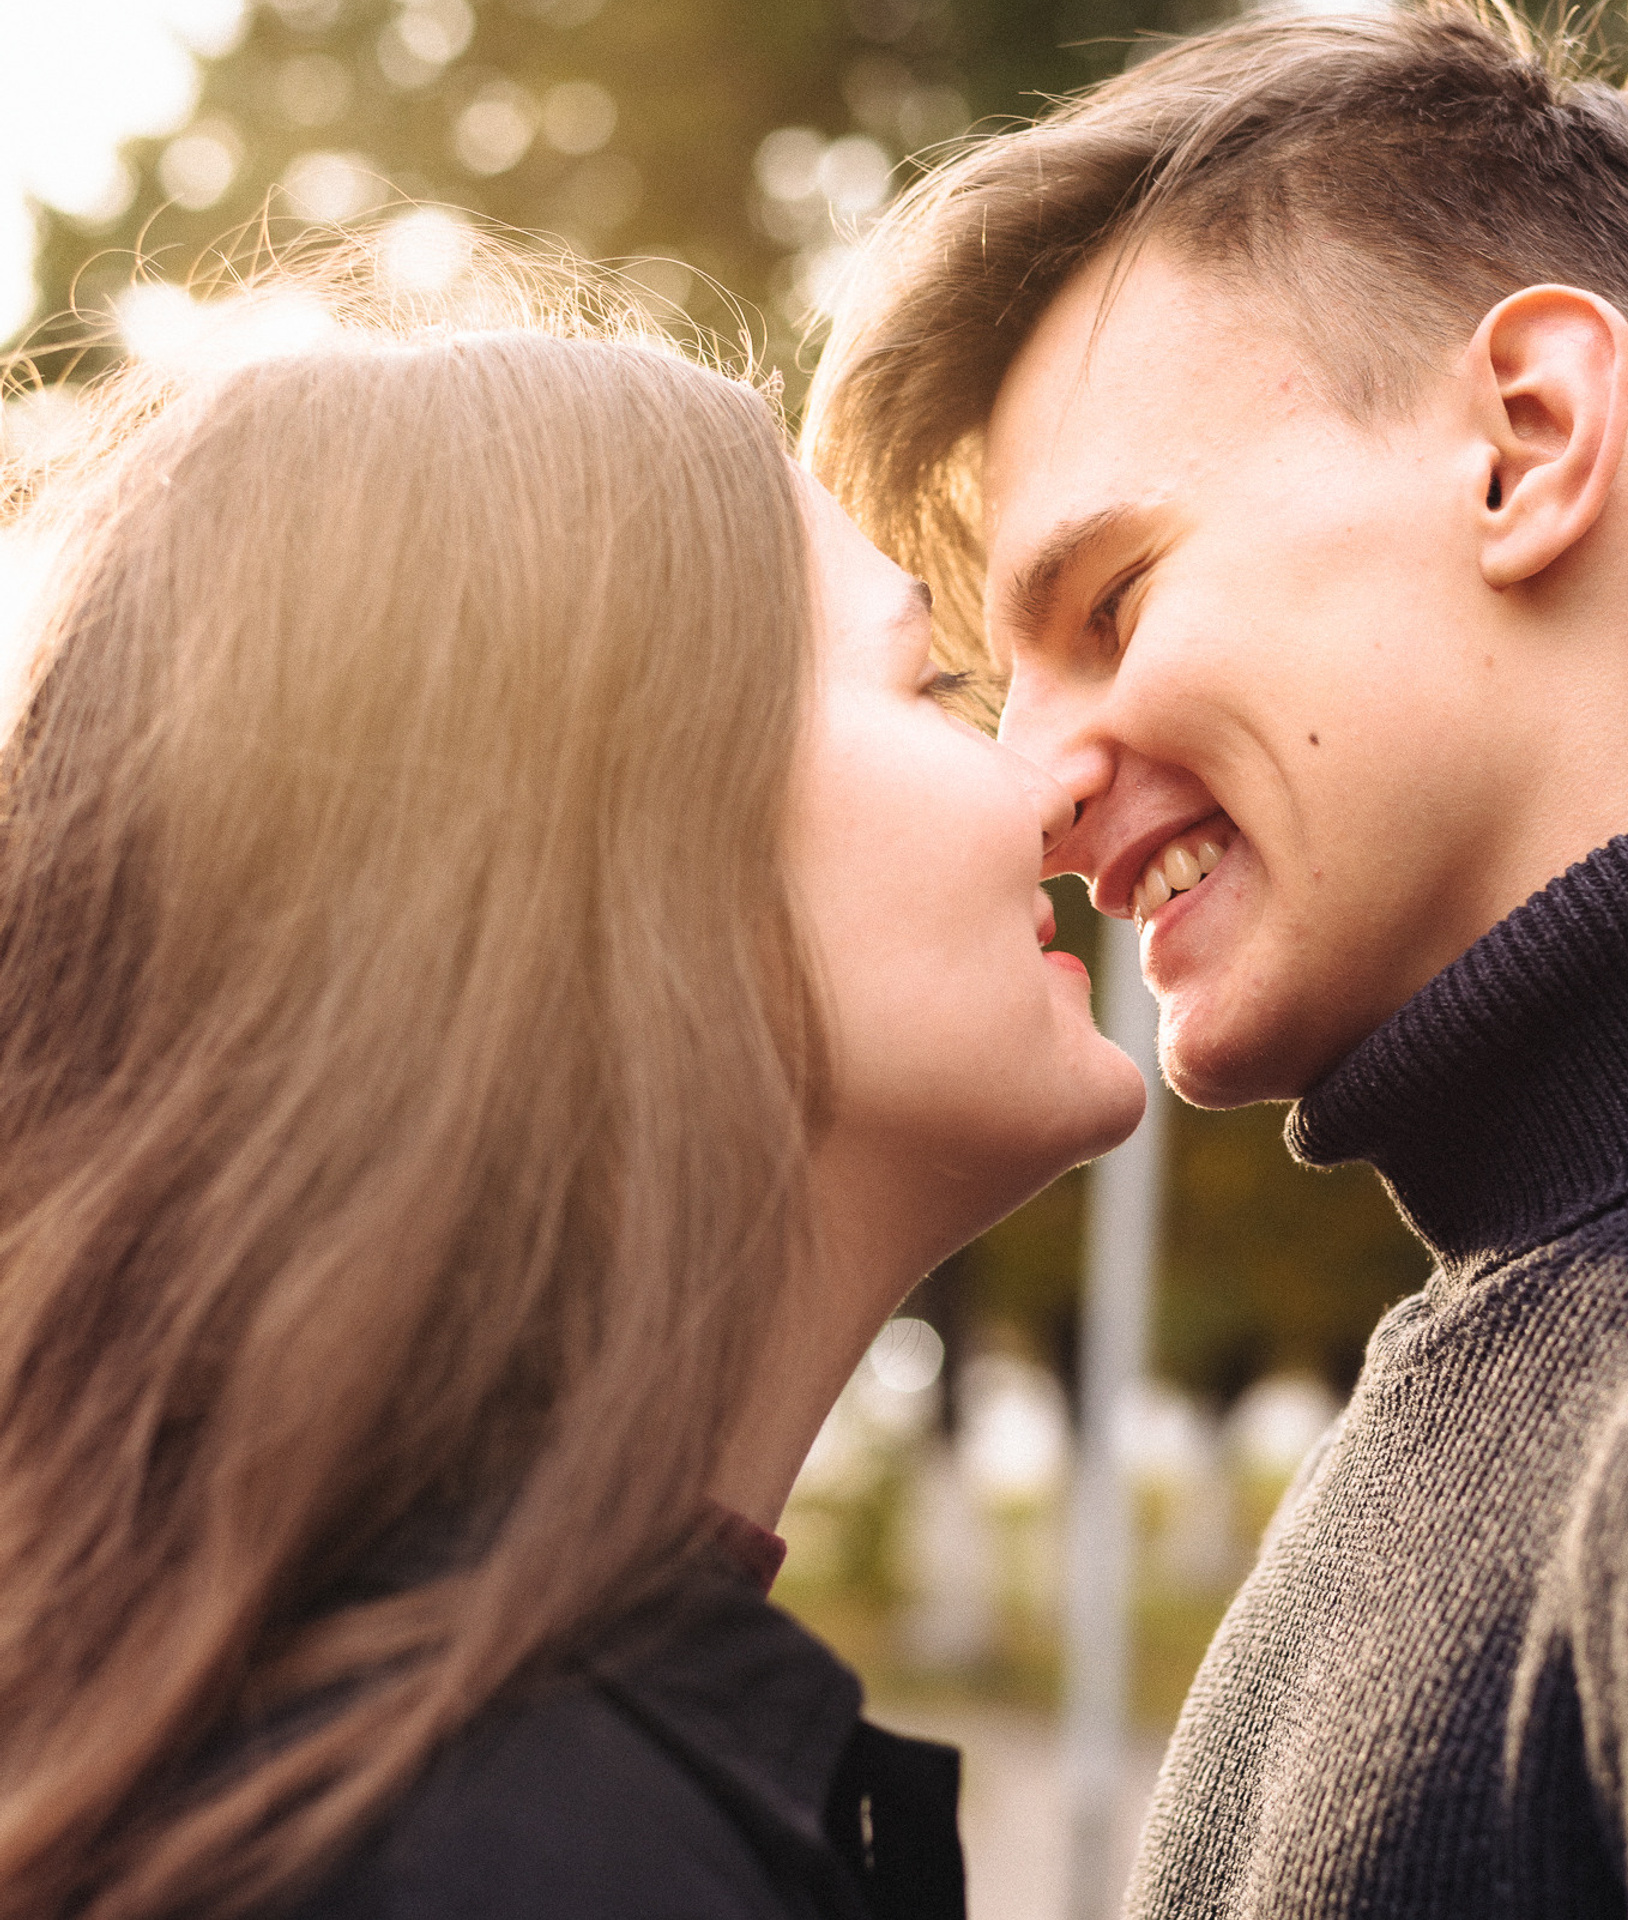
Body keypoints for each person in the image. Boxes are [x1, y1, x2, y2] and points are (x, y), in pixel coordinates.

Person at [805, 3, 1628, 1915]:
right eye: (1002, 681)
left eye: (1116, 600)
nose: (1032, 793)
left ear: (1531, 445)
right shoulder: (1506, 1384)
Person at [0, 251, 1144, 1920]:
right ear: (615, 856)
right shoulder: (498, 1851)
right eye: (932, 686)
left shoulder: (343, 1765)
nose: (1051, 785)